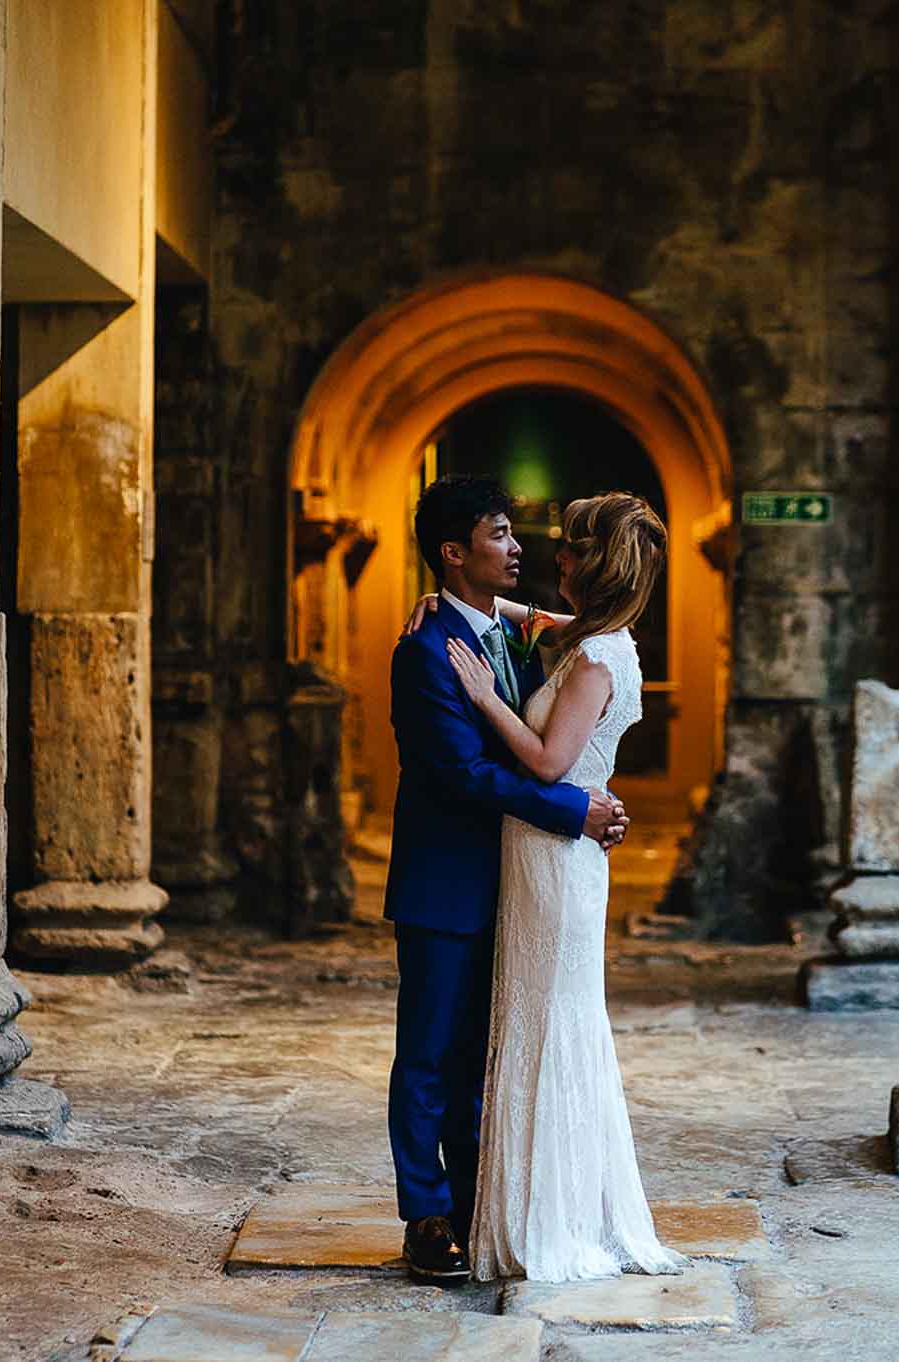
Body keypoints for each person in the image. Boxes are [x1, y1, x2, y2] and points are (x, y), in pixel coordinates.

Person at [384, 475, 630, 1286]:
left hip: (522, 883)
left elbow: (593, 628)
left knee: (490, 1058)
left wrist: (478, 606)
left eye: (517, 534)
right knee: (429, 1055)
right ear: (456, 552)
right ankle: (426, 1217)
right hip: (446, 883)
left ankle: (477, 1207)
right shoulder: (422, 653)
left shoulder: (515, 636)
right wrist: (572, 809)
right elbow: (459, 774)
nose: (517, 546)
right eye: (499, 534)